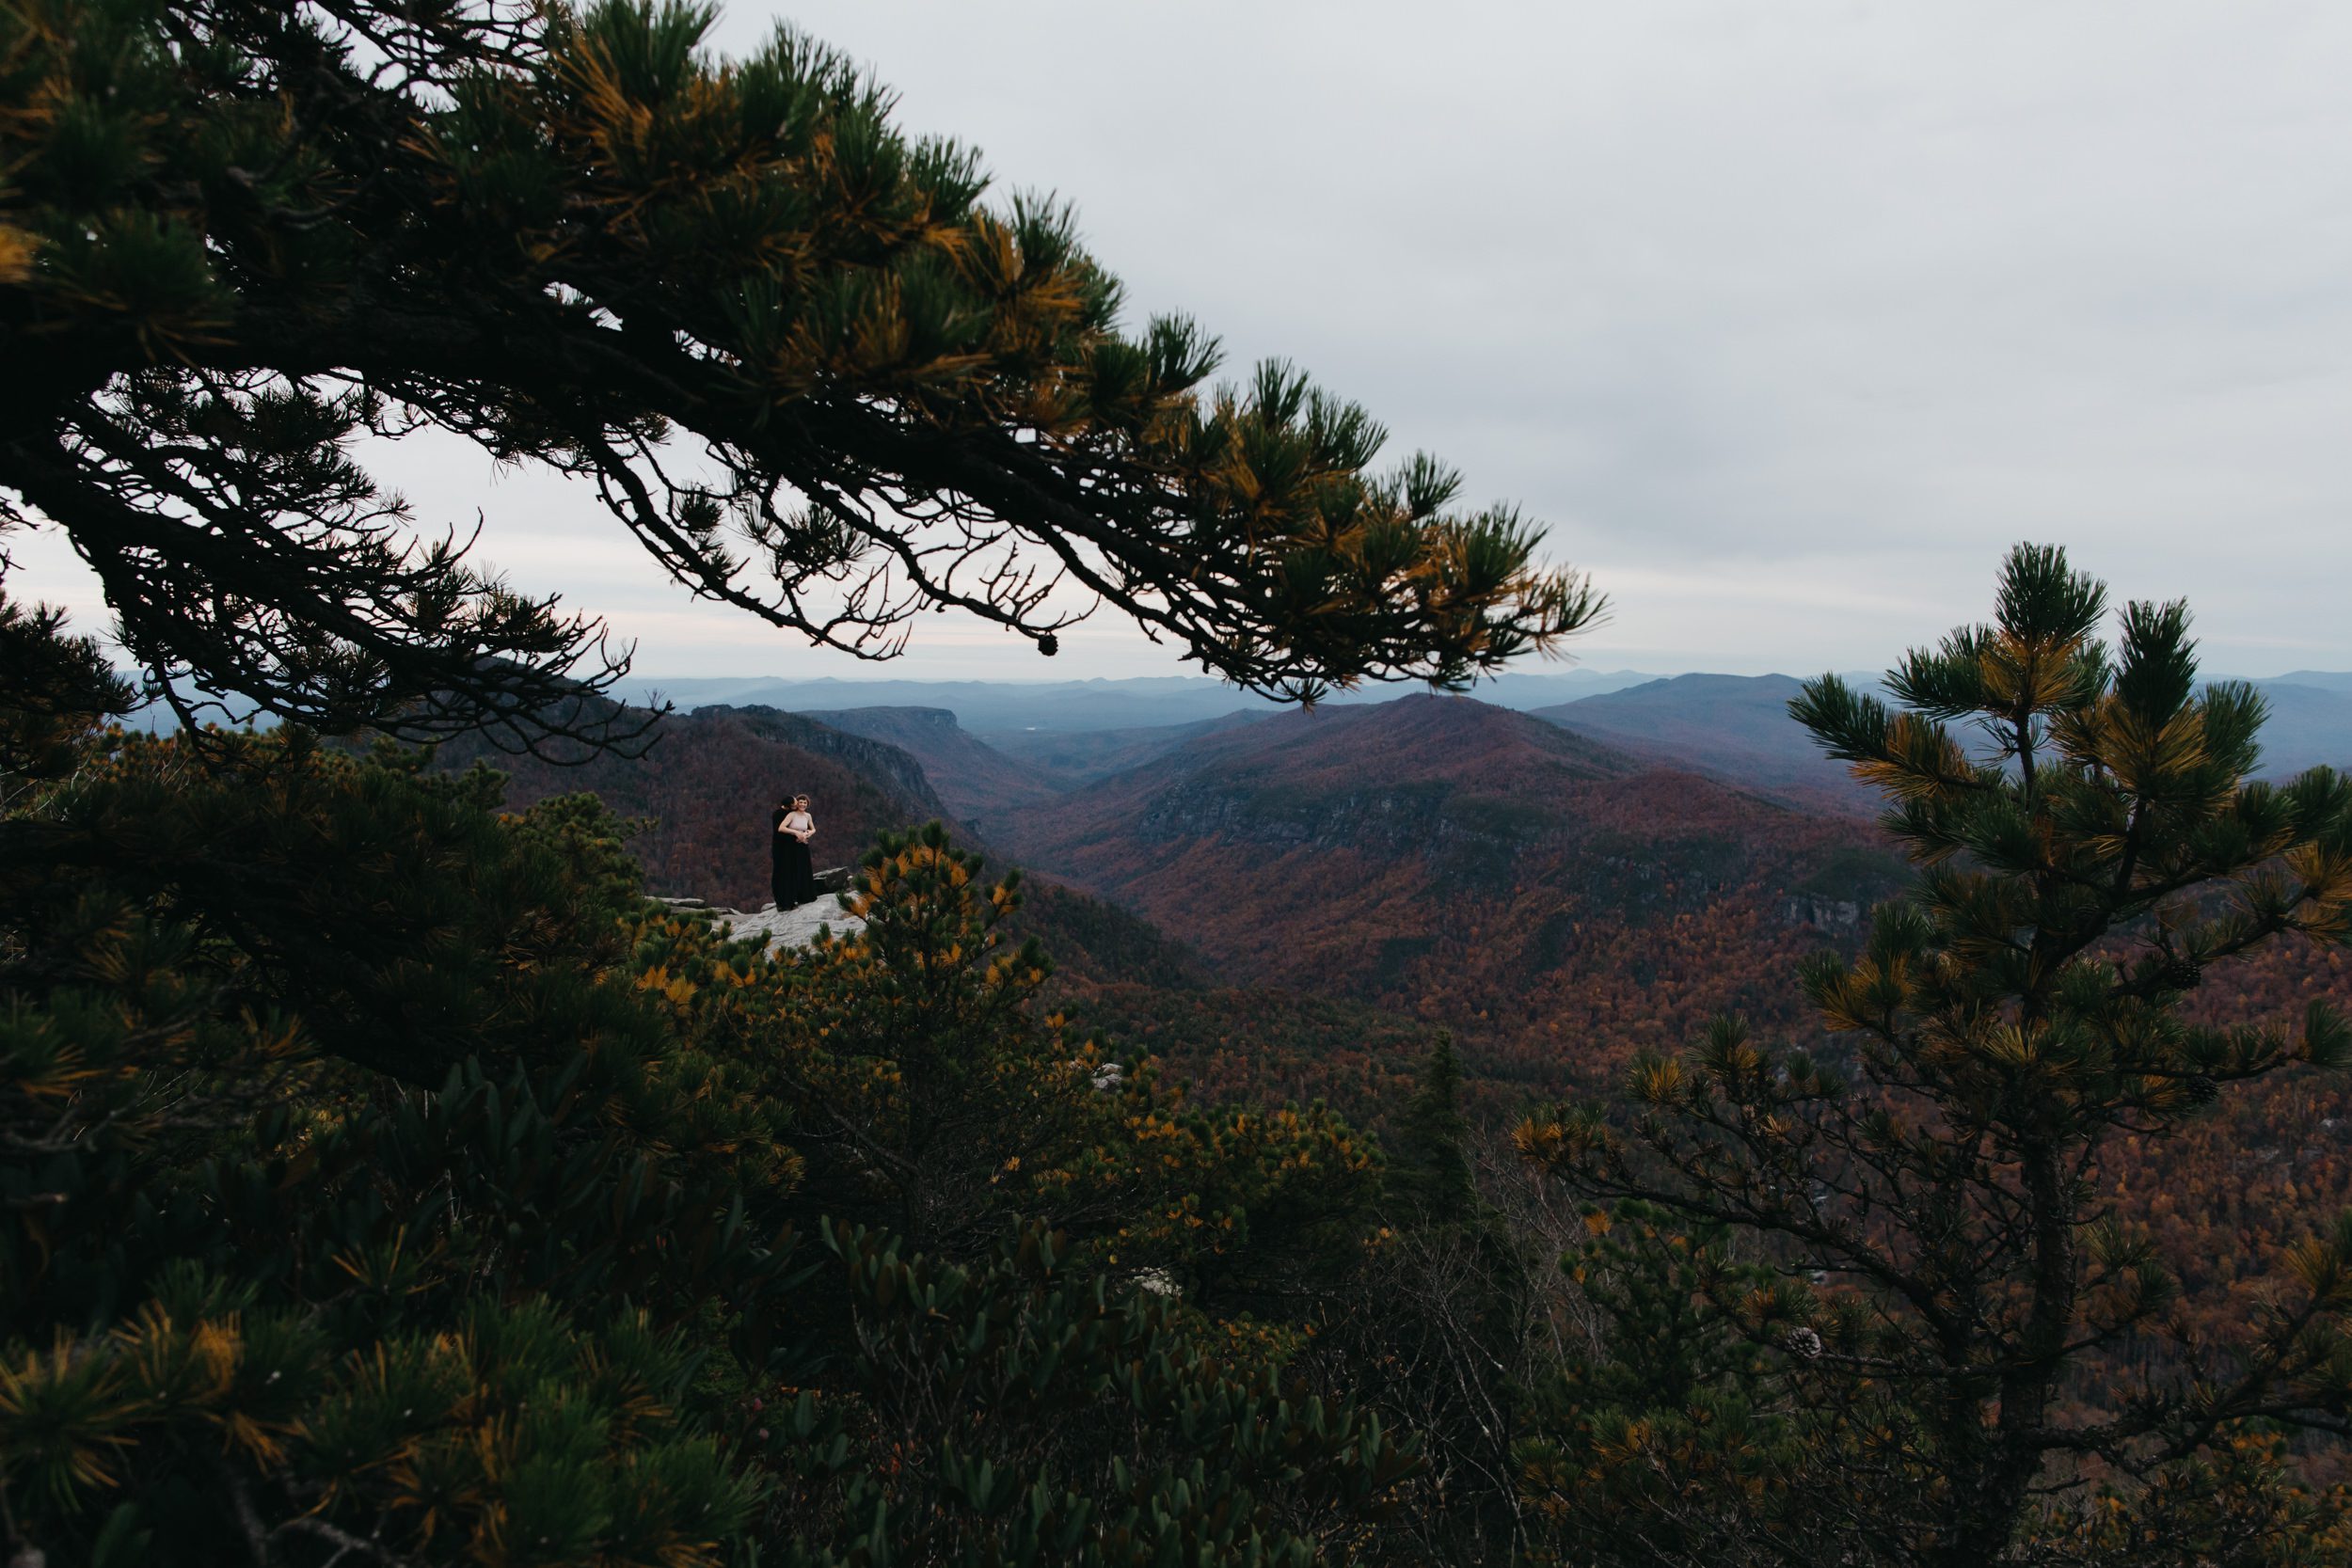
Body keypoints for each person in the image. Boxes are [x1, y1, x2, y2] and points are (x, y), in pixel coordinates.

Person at [771, 793, 818, 910]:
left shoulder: (807, 815)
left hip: (800, 844)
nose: (800, 804)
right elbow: (781, 829)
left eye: (803, 802)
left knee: (802, 869)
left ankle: (803, 896)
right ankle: (785, 901)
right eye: (798, 802)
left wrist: (808, 833)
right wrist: (797, 834)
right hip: (787, 847)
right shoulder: (787, 814)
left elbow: (813, 828)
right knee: (788, 872)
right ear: (791, 806)